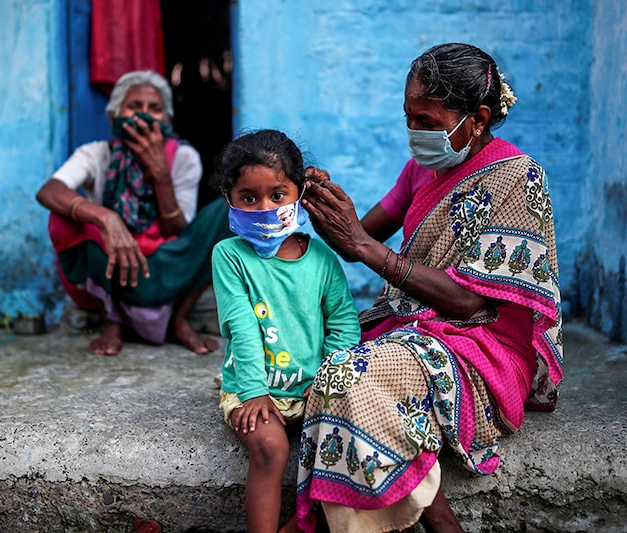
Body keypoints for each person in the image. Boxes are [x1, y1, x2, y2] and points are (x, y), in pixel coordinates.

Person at [295, 43, 563, 533]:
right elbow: (362, 232)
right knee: (309, 362)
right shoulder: (422, 168)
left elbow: (469, 301)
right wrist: (312, 200)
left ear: (477, 119)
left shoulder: (517, 179)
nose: (413, 132)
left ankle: (439, 525)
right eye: (408, 118)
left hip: (482, 345)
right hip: (411, 329)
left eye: (426, 120)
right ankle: (435, 518)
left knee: (346, 378)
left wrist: (363, 247)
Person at [210, 129, 361, 533]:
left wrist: (331, 375)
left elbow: (344, 323)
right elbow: (241, 327)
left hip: (315, 388)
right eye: (249, 198)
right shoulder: (229, 256)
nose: (263, 207)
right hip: (253, 387)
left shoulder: (324, 260)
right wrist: (253, 392)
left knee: (354, 442)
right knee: (271, 447)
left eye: (278, 195)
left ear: (298, 195)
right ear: (230, 200)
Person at [36, 70, 233, 356]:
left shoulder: (183, 157)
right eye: (134, 107)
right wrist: (106, 218)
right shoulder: (96, 154)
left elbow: (180, 234)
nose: (144, 116)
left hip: (168, 266)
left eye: (155, 109)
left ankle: (179, 317)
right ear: (114, 116)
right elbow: (49, 191)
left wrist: (161, 176)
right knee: (64, 216)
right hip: (113, 263)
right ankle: (112, 319)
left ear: (166, 121)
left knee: (231, 213)